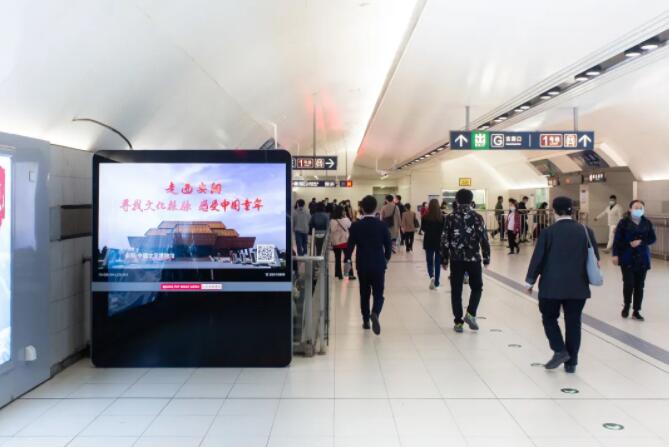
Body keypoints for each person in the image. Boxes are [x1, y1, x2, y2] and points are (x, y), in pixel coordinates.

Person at [525, 196, 599, 373]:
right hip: (578, 286)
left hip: (551, 286)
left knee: (549, 318)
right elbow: (595, 258)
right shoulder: (586, 231)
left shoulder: (548, 232)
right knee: (574, 322)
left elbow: (538, 259)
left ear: (554, 211)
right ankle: (571, 363)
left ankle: (559, 350)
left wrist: (530, 281)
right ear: (572, 210)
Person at [440, 189, 490, 333]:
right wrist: (486, 257)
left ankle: (458, 322)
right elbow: (484, 238)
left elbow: (444, 239)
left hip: (456, 259)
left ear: (456, 200)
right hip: (474, 259)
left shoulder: (450, 218)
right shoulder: (477, 217)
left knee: (456, 290)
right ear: (471, 200)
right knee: (477, 287)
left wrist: (444, 259)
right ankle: (471, 313)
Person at [345, 195, 392, 335]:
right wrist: (386, 259)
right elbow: (388, 246)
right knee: (378, 293)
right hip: (378, 264)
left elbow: (349, 247)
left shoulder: (356, 226)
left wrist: (347, 261)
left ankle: (366, 321)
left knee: (364, 293)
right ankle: (375, 312)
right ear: (375, 208)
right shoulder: (382, 225)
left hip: (363, 264)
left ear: (362, 208)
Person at [612, 200, 656, 320]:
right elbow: (617, 240)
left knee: (639, 286)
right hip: (627, 257)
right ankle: (627, 305)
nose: (638, 210)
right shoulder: (623, 223)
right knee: (628, 283)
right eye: (636, 207)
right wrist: (615, 255)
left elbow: (652, 238)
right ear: (630, 209)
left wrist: (641, 241)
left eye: (641, 208)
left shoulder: (647, 223)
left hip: (642, 258)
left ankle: (636, 311)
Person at [421, 199, 444, 290]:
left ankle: (432, 276)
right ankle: (437, 281)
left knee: (429, 261)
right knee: (438, 262)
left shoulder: (425, 217)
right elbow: (444, 230)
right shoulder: (442, 217)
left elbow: (423, 229)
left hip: (428, 241)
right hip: (439, 241)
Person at [330, 205, 355, 280]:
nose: (344, 212)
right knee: (348, 258)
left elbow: (332, 230)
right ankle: (348, 274)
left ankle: (338, 274)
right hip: (345, 241)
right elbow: (350, 226)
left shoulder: (332, 221)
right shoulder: (346, 219)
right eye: (343, 211)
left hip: (336, 242)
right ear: (341, 212)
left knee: (337, 258)